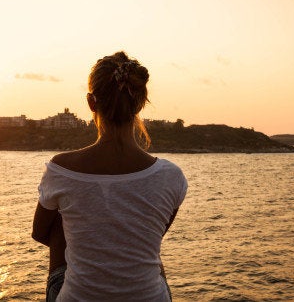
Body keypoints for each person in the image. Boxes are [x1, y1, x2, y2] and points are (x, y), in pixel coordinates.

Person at [32, 51, 187, 301]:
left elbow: (40, 233)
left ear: (92, 103)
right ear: (140, 103)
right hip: (149, 297)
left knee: (61, 220)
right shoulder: (171, 176)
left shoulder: (61, 169)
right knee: (149, 254)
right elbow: (153, 236)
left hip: (79, 296)